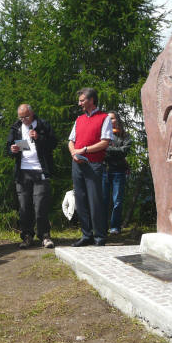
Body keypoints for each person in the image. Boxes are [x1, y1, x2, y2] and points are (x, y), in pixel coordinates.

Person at [6, 104, 57, 249]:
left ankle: (45, 236)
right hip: (23, 172)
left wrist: (39, 137)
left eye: (26, 116)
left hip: (40, 170)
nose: (24, 120)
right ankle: (27, 236)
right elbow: (8, 148)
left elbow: (54, 143)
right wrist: (12, 150)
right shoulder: (15, 127)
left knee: (40, 206)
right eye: (21, 117)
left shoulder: (43, 125)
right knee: (24, 207)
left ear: (32, 113)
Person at [68, 88, 112, 246]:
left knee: (95, 201)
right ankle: (86, 235)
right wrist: (74, 153)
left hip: (93, 165)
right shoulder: (79, 119)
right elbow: (71, 140)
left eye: (82, 100)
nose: (79, 103)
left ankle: (99, 236)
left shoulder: (104, 118)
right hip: (77, 164)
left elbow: (105, 142)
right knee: (80, 200)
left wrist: (85, 150)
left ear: (92, 100)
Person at [102, 111, 131, 235]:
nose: (110, 121)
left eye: (112, 118)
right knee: (103, 200)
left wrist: (107, 149)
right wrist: (116, 151)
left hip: (119, 171)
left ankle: (115, 227)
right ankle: (102, 227)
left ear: (117, 120)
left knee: (117, 201)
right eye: (108, 119)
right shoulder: (103, 135)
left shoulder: (125, 136)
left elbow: (124, 151)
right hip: (104, 170)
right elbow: (100, 151)